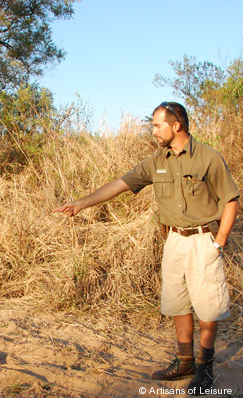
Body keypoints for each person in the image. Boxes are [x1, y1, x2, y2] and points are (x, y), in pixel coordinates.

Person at [53, 102, 240, 396]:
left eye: (157, 125)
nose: (153, 131)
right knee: (178, 303)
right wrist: (81, 203)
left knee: (208, 308)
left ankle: (205, 369)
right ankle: (184, 361)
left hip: (204, 239)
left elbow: (231, 202)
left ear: (176, 125)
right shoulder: (157, 161)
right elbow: (120, 184)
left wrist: (219, 242)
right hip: (174, 241)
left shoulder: (208, 158)